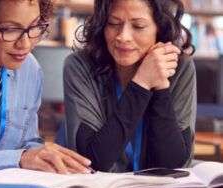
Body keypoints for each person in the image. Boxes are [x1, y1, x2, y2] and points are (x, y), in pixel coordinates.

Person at [64, 0, 197, 172]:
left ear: (160, 28)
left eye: (139, 26)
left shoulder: (180, 68)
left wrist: (160, 88)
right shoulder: (80, 66)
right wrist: (141, 83)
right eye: (113, 24)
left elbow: (172, 165)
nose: (123, 36)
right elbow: (91, 162)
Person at [0, 0, 92, 174]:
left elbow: (27, 142)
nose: (26, 45)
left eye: (35, 27)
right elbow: (22, 156)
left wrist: (46, 157)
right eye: (11, 30)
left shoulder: (29, 69)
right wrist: (19, 158)